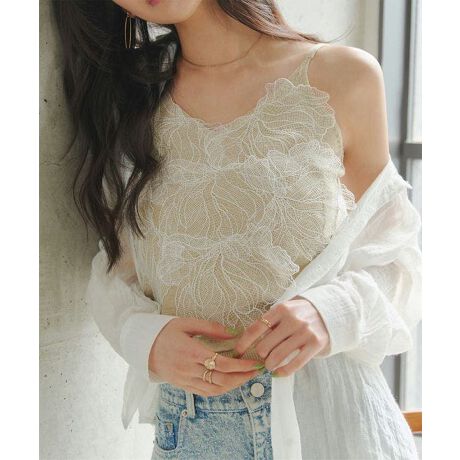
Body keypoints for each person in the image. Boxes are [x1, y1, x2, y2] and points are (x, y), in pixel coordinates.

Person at [52, 1, 422, 458]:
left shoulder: (342, 76)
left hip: (328, 425)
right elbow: (115, 268)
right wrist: (144, 338)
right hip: (192, 431)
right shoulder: (129, 103)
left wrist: (331, 312)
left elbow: (399, 260)